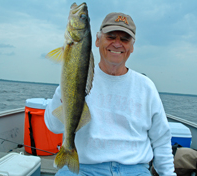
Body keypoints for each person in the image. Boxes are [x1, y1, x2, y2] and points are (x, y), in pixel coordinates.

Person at [44, 12, 176, 176]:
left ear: (132, 46)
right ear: (97, 40)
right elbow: (53, 126)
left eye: (124, 39)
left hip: (134, 169)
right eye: (111, 36)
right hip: (83, 167)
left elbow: (161, 140)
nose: (117, 44)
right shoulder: (79, 78)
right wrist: (66, 85)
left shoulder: (146, 87)